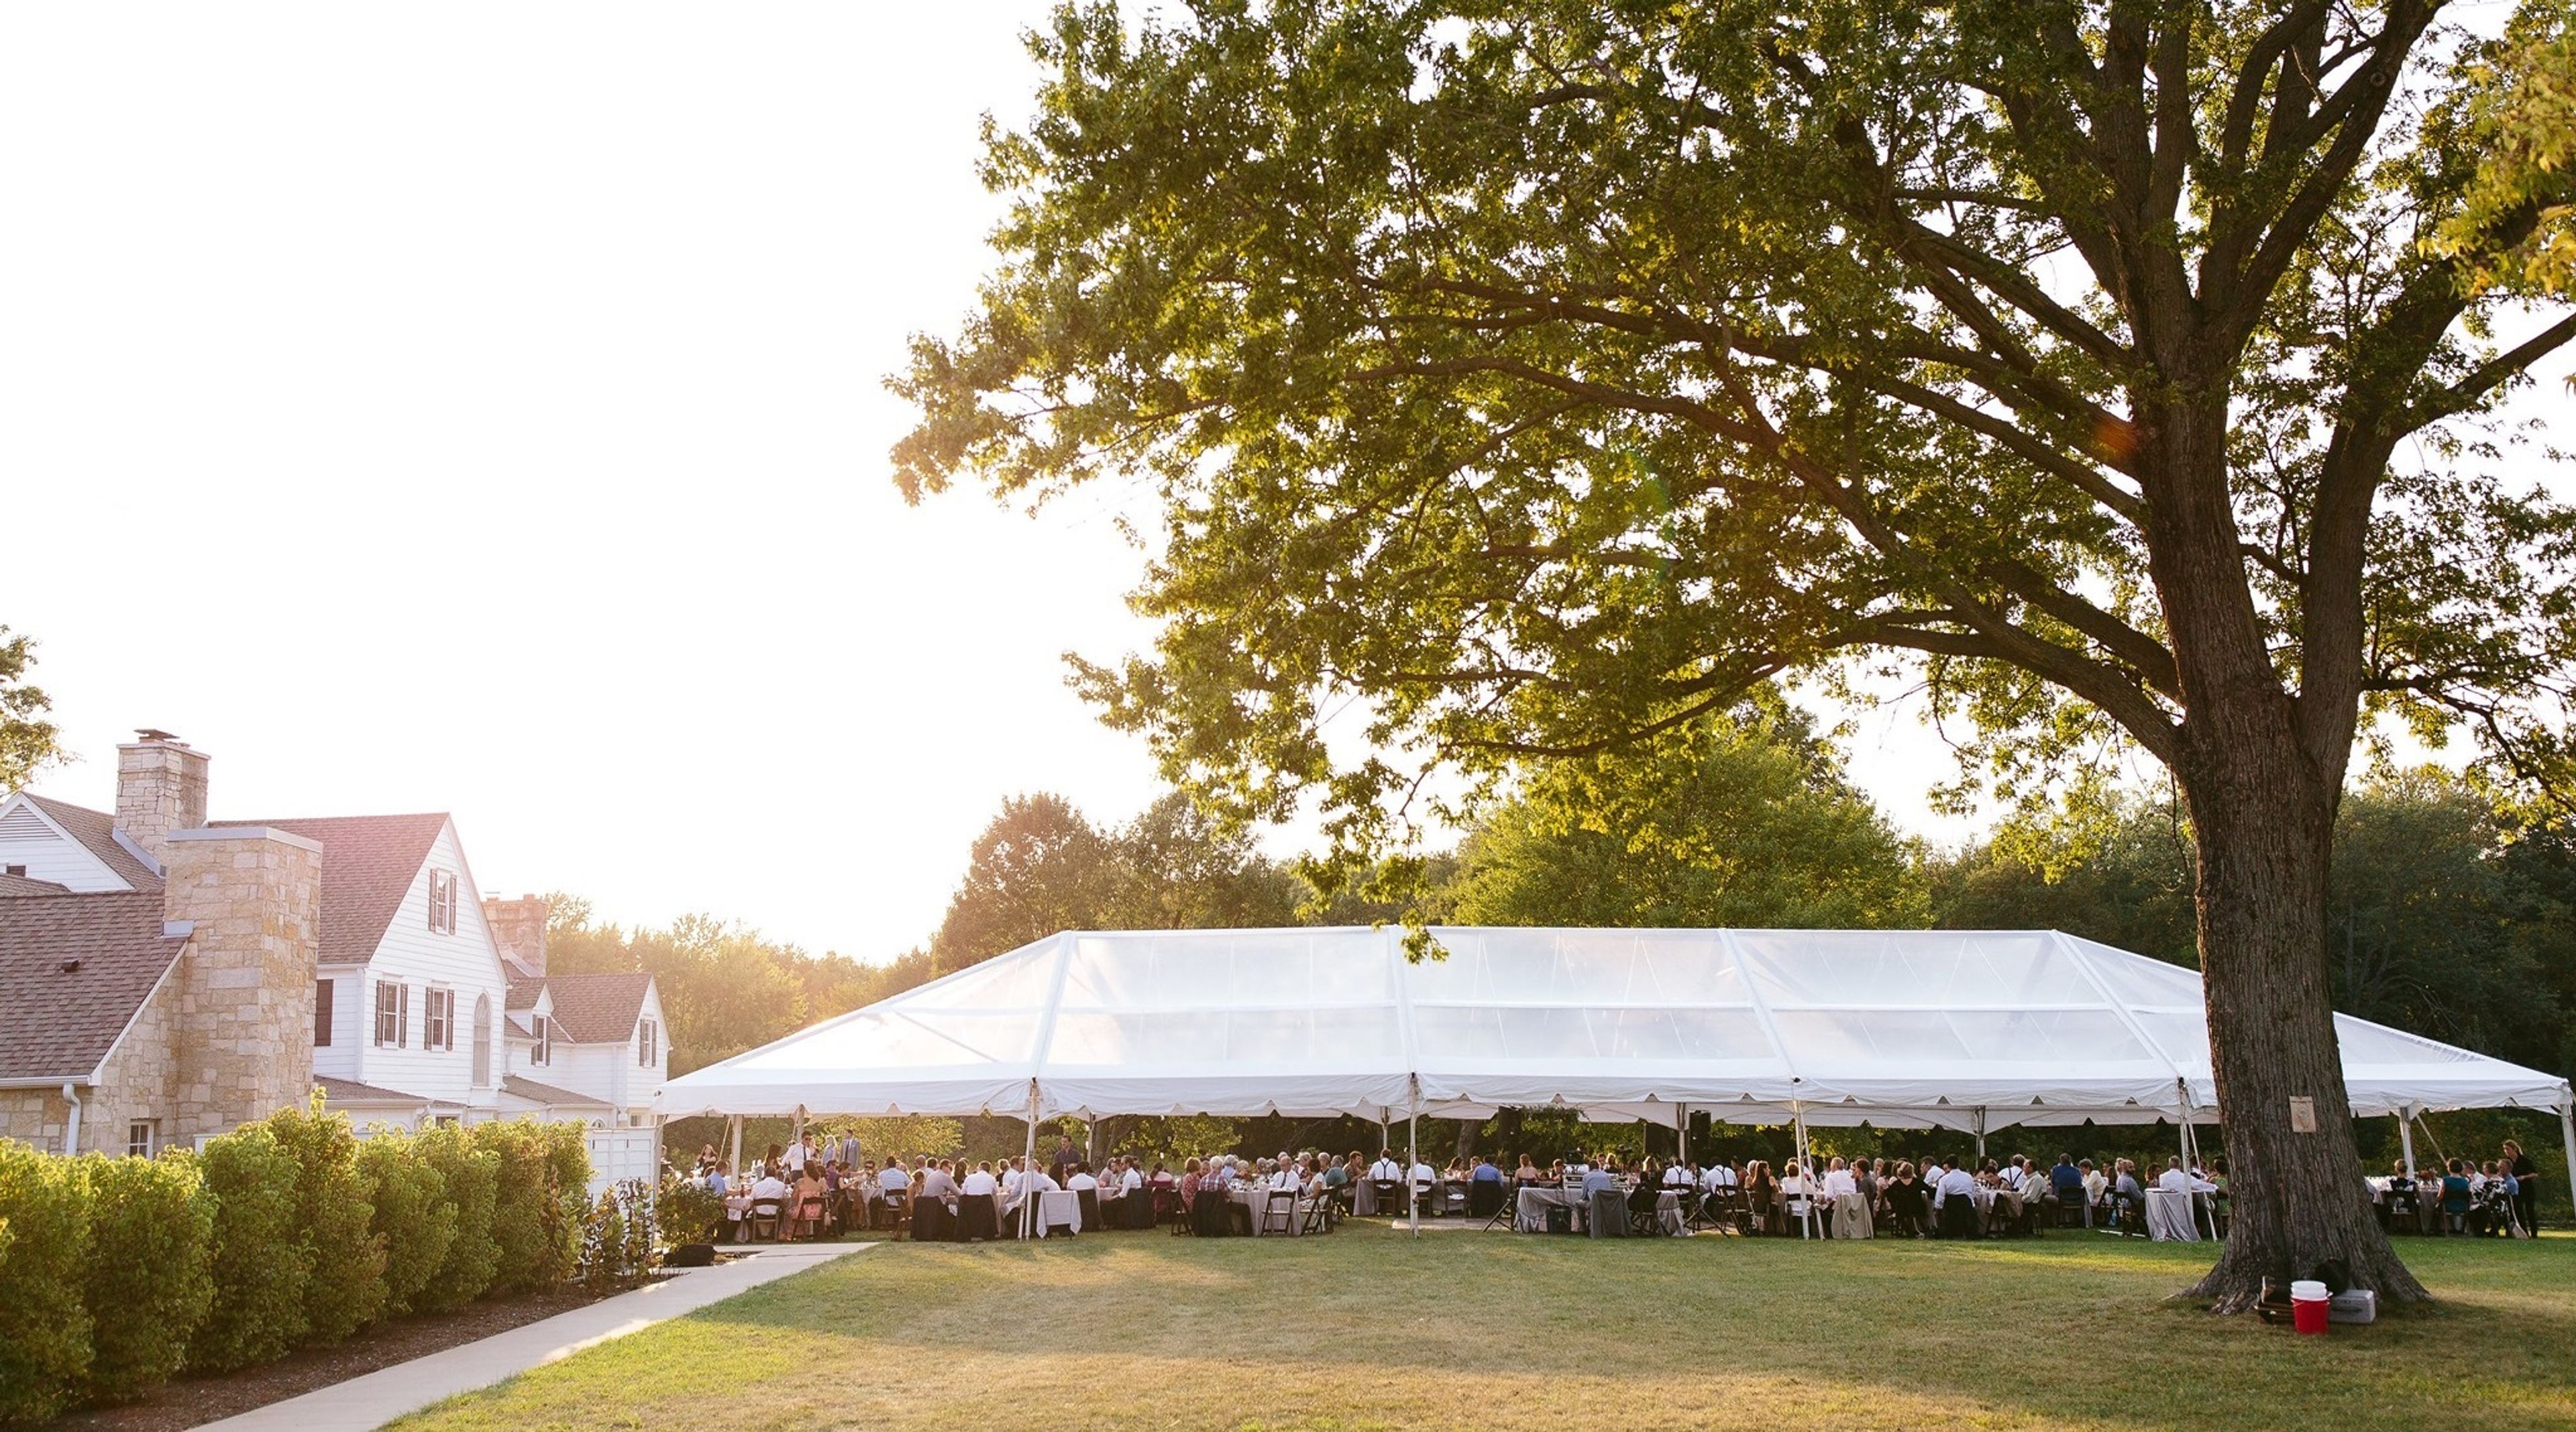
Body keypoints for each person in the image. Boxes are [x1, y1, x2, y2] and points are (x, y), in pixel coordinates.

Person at [1933, 1159, 1980, 1239]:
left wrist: (1938, 1209)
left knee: (1942, 1210)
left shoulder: (1944, 1179)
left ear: (1948, 1166)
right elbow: (1972, 1193)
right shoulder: (1968, 1177)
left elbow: (1940, 1197)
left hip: (1951, 1208)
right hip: (1966, 1206)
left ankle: (1944, 1231)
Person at [2504, 1139, 2539, 1238]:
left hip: (2526, 1188)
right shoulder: (2507, 1162)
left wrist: (2524, 1177)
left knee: (2530, 1211)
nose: (2506, 1151)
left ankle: (2534, 1233)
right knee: (2518, 1211)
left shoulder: (2524, 1160)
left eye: (2508, 1149)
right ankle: (2522, 1232)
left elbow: (2535, 1174)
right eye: (2505, 1149)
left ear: (2514, 1149)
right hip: (2515, 1189)